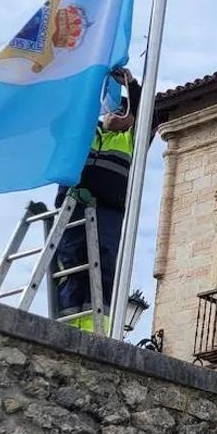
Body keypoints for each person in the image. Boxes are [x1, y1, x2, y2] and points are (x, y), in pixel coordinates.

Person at [53, 67, 141, 331]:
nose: (120, 114)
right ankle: (68, 325)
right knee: (70, 264)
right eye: (116, 109)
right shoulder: (84, 134)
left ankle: (95, 329)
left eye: (126, 111)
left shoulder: (131, 139)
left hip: (107, 209)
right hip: (73, 204)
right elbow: (66, 116)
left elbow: (151, 113)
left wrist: (131, 84)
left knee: (102, 265)